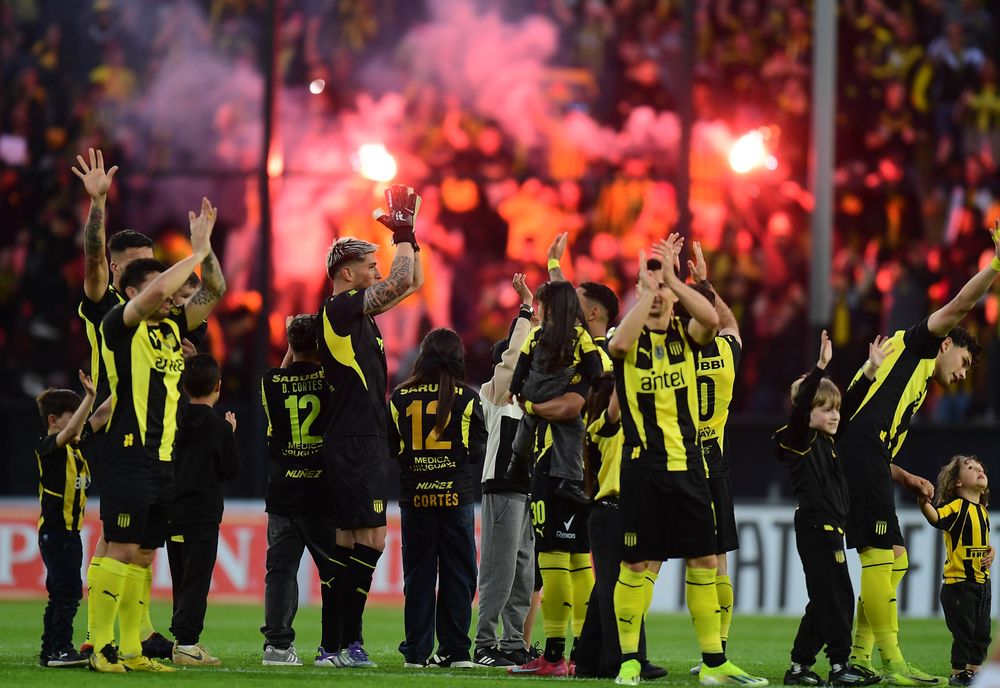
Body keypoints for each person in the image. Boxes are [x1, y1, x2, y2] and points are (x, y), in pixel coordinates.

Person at [842, 220, 1000, 685]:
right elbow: (962, 303)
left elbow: (869, 430)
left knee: (893, 555)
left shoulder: (909, 381)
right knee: (883, 553)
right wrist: (995, 265)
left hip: (860, 451)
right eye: (965, 362)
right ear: (947, 343)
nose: (963, 374)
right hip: (856, 448)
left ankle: (861, 657)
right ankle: (888, 661)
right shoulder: (920, 344)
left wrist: (907, 477)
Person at [608, 236, 765, 687]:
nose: (659, 300)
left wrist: (674, 280)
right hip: (642, 469)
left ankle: (714, 664)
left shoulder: (687, 337)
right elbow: (618, 344)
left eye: (664, 297)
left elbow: (713, 318)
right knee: (635, 565)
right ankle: (629, 662)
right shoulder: (628, 342)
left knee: (703, 561)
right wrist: (647, 290)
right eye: (651, 292)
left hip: (690, 466)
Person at [87, 197, 226, 672]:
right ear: (132, 292)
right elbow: (156, 293)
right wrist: (194, 250)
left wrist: (206, 254)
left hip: (163, 456)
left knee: (144, 555)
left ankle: (131, 649)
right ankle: (102, 648)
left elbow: (216, 288)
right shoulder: (120, 324)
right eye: (161, 289)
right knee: (122, 547)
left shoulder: (170, 328)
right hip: (128, 452)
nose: (173, 297)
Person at [317, 183, 423, 667]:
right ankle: (345, 644)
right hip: (355, 442)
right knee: (372, 540)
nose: (376, 271)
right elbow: (401, 283)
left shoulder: (357, 316)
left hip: (357, 440)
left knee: (348, 543)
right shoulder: (340, 310)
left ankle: (334, 644)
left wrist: (411, 237)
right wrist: (402, 231)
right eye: (368, 265)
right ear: (345, 272)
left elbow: (410, 281)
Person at [775, 331, 889, 687]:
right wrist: (820, 367)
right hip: (816, 528)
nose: (835, 415)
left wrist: (870, 369)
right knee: (838, 599)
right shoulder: (799, 439)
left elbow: (851, 403)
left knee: (825, 600)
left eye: (835, 409)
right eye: (826, 409)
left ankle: (799, 666)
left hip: (829, 530)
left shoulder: (825, 440)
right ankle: (840, 666)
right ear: (806, 412)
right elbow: (802, 406)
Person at [389, 328, 486, 669]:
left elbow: (392, 447)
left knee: (418, 577)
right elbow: (476, 451)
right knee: (460, 575)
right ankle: (456, 651)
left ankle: (416, 653)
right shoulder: (467, 397)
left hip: (415, 499)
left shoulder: (399, 397)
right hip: (455, 496)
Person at [572, 373, 666, 681]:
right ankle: (624, 660)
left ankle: (587, 660)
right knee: (620, 590)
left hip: (625, 514)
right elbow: (617, 404)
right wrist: (627, 360)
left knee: (607, 591)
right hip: (611, 514)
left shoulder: (629, 428)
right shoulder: (604, 427)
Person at [259, 314, 339, 668]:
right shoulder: (334, 381)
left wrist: (291, 346)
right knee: (335, 573)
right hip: (323, 493)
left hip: (282, 494)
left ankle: (277, 647)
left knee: (280, 572)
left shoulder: (270, 381)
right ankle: (332, 648)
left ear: (291, 345)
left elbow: (282, 377)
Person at [474, 274, 538, 668]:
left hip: (526, 489)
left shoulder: (526, 400)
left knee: (523, 570)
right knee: (499, 571)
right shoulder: (496, 394)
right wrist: (526, 312)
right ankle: (484, 644)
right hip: (501, 487)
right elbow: (514, 356)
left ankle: (512, 641)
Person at [685, 240, 743, 672]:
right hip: (714, 463)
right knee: (717, 559)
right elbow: (730, 324)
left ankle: (630, 654)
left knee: (649, 560)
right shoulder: (727, 354)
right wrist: (704, 283)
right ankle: (718, 650)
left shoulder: (678, 355)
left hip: (678, 463)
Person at [167, 354, 239, 666]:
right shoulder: (219, 428)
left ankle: (181, 640)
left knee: (180, 578)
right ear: (218, 387)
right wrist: (230, 436)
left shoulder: (172, 419)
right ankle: (187, 643)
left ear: (183, 386)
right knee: (196, 579)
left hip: (171, 512)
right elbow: (231, 469)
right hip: (203, 515)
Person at [505, 280, 604, 505]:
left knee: (528, 424)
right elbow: (594, 366)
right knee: (572, 429)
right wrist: (597, 386)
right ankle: (569, 481)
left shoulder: (537, 333)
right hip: (557, 393)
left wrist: (514, 388)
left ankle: (516, 464)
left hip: (531, 391)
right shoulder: (580, 336)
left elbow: (523, 361)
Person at [35, 372, 97, 668]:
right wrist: (90, 397)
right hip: (57, 532)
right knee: (68, 590)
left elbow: (100, 417)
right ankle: (59, 649)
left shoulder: (74, 446)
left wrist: (128, 379)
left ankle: (50, 650)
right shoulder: (48, 448)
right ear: (53, 420)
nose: (79, 422)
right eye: (73, 416)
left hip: (69, 533)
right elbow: (75, 428)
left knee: (63, 590)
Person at [918, 456, 994, 687]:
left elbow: (983, 543)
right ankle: (958, 672)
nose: (979, 469)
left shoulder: (983, 511)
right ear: (958, 483)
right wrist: (924, 504)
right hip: (959, 583)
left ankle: (974, 671)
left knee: (982, 632)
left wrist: (991, 551)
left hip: (983, 583)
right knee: (965, 632)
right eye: (971, 468)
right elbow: (937, 517)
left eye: (980, 468)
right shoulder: (957, 506)